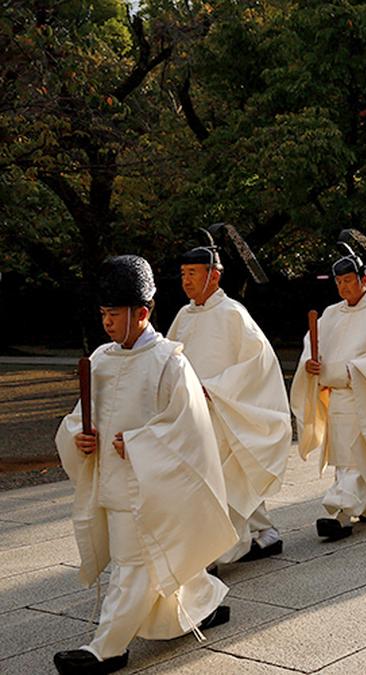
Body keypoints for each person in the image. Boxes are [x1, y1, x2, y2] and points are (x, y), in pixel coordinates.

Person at [53, 256, 234, 674]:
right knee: (151, 558)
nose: (108, 323)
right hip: (111, 483)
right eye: (103, 314)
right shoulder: (101, 358)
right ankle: (203, 604)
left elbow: (188, 428)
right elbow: (83, 414)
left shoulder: (170, 361)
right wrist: (79, 436)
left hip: (151, 484)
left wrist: (138, 444)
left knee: (133, 565)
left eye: (114, 314)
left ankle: (108, 648)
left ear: (143, 312)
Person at [167, 241, 291, 564]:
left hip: (225, 412)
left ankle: (220, 549)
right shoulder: (183, 317)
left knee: (228, 477)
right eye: (183, 274)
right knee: (227, 479)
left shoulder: (233, 313)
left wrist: (216, 389)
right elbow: (167, 361)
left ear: (214, 276)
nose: (187, 281)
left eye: (193, 273)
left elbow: (258, 364)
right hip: (193, 413)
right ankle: (263, 533)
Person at [292, 245, 366, 540]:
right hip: (338, 397)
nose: (344, 287)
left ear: (363, 280)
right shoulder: (331, 314)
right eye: (339, 282)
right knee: (347, 455)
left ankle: (340, 511)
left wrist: (350, 371)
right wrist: (312, 362)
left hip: (364, 394)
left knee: (356, 457)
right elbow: (312, 342)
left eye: (348, 281)